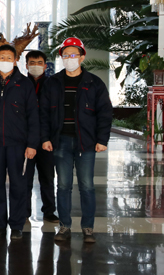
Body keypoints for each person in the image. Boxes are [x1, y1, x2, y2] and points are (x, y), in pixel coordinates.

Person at [40, 37, 112, 243]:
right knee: (63, 185)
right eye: (66, 55)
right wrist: (45, 138)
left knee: (86, 185)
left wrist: (102, 139)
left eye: (74, 54)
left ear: (82, 57)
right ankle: (64, 226)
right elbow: (43, 113)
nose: (70, 58)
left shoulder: (94, 83)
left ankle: (88, 228)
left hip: (85, 142)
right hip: (60, 141)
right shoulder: (52, 83)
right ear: (61, 57)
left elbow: (105, 113)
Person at [0, 44, 39, 240]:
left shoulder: (25, 84)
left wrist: (32, 144)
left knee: (18, 185)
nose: (5, 61)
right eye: (2, 57)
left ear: (15, 60)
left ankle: (17, 225)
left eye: (9, 58)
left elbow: (33, 116)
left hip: (18, 144)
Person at [25, 50, 59, 223]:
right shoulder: (21, 84)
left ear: (45, 66)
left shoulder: (52, 84)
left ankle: (49, 211)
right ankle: (24, 212)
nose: (36, 66)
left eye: (39, 63)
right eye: (32, 63)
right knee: (25, 178)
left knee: (47, 177)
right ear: (26, 66)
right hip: (26, 139)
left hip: (47, 140)